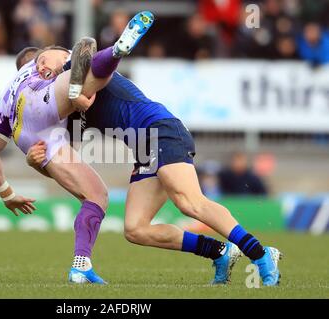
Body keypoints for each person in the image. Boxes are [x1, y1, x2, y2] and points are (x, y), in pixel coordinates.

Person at [27, 19, 282, 287]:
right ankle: (220, 252)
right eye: (35, 68)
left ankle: (262, 255)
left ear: (60, 52)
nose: (41, 67)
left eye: (43, 58)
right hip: (144, 149)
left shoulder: (75, 65)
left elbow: (85, 49)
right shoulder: (63, 106)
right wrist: (35, 163)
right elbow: (65, 159)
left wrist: (107, 58)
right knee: (136, 229)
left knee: (189, 202)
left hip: (160, 130)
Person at [0, 11, 155, 284]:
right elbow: (70, 54)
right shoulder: (43, 61)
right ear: (36, 58)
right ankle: (116, 51)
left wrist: (7, 194)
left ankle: (80, 266)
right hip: (41, 100)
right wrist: (72, 85)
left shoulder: (6, 98)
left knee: (96, 196)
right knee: (84, 51)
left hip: (31, 137)